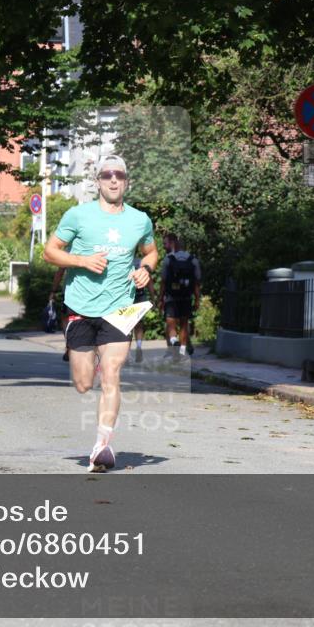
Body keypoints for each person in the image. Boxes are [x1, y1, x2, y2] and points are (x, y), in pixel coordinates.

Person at [43, 155, 157, 472]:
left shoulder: (139, 220)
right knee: (83, 383)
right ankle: (82, 354)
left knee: (112, 373)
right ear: (97, 182)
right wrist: (82, 261)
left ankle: (102, 446)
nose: (113, 180)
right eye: (107, 175)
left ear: (126, 181)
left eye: (119, 175)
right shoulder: (78, 215)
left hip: (121, 307)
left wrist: (145, 269)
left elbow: (151, 252)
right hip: (81, 307)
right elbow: (49, 251)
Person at [158, 232, 201, 359]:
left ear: (175, 245)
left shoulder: (168, 259)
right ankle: (182, 353)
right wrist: (197, 299)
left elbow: (163, 282)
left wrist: (160, 299)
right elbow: (197, 283)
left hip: (172, 297)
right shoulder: (193, 260)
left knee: (171, 324)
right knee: (183, 324)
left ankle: (173, 340)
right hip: (186, 297)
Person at [131, 255, 150, 363]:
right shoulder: (141, 262)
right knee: (139, 324)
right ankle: (138, 346)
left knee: (126, 326)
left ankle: (126, 354)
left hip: (126, 296)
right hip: (140, 295)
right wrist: (152, 297)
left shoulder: (122, 260)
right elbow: (149, 281)